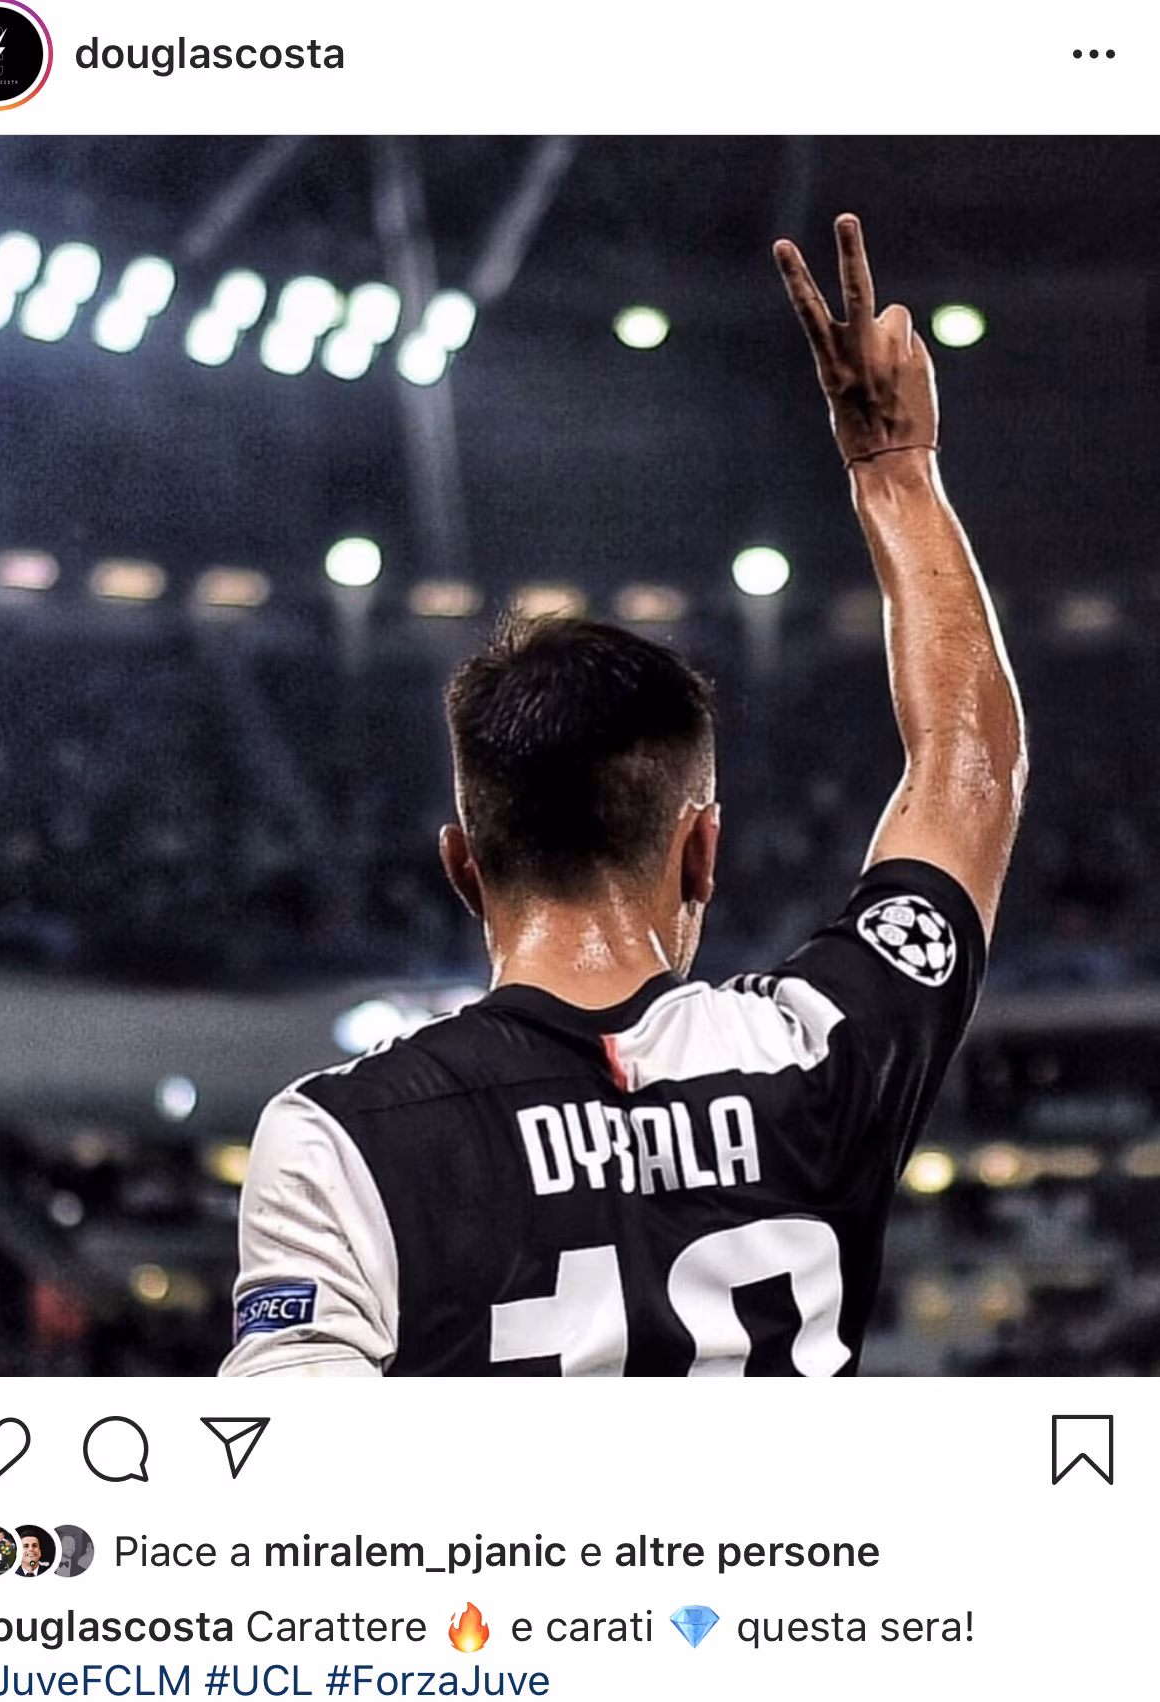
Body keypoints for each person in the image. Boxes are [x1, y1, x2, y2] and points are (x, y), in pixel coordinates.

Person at [220, 214, 1026, 1378]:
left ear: (463, 866)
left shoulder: (341, 1137)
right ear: (703, 851)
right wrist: (896, 472)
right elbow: (971, 771)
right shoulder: (817, 1049)